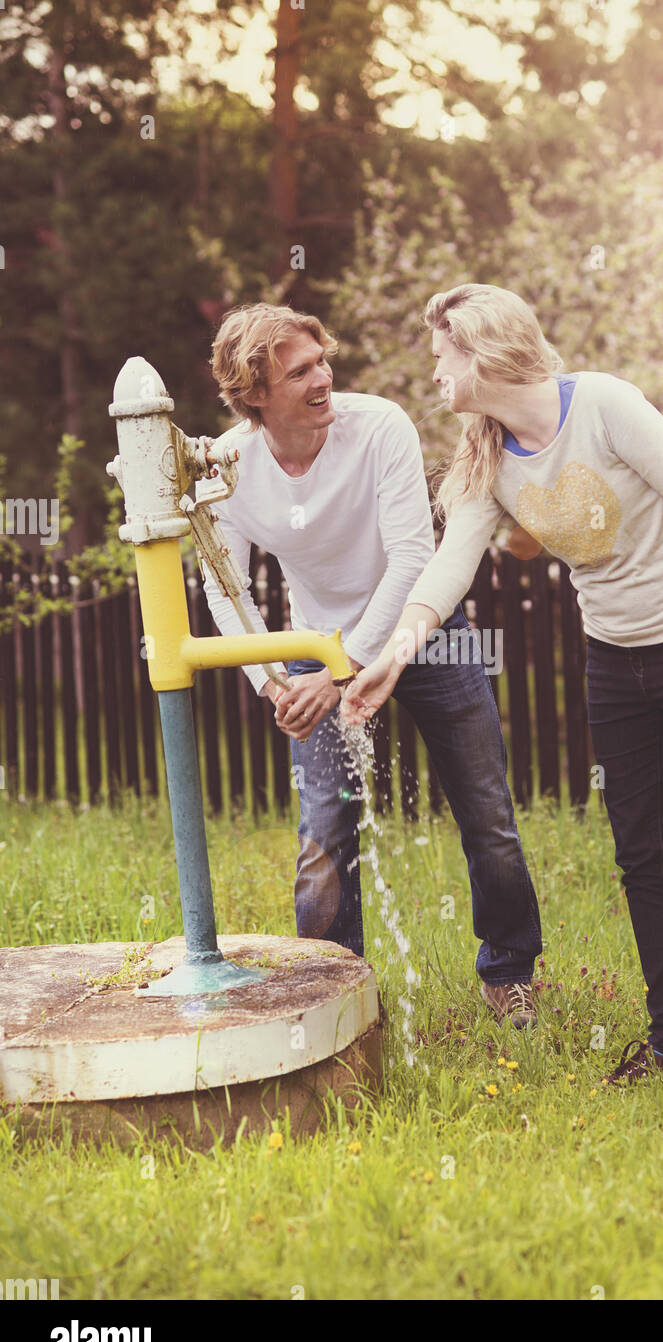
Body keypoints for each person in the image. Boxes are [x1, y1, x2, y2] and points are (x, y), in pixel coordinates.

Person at [342, 283, 663, 1095]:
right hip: (613, 657)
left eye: (443, 356)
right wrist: (394, 653)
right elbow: (450, 566)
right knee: (641, 854)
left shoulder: (605, 405)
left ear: (481, 353)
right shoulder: (486, 454)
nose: (434, 373)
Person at [202, 302, 542, 1027]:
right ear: (254, 392)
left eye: (323, 359)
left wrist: (349, 666)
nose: (324, 376)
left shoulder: (380, 425)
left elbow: (414, 557)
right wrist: (272, 684)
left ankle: (509, 973)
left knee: (488, 818)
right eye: (301, 371)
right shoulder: (227, 468)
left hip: (423, 629)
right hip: (314, 649)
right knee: (323, 836)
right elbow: (221, 585)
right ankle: (333, 997)